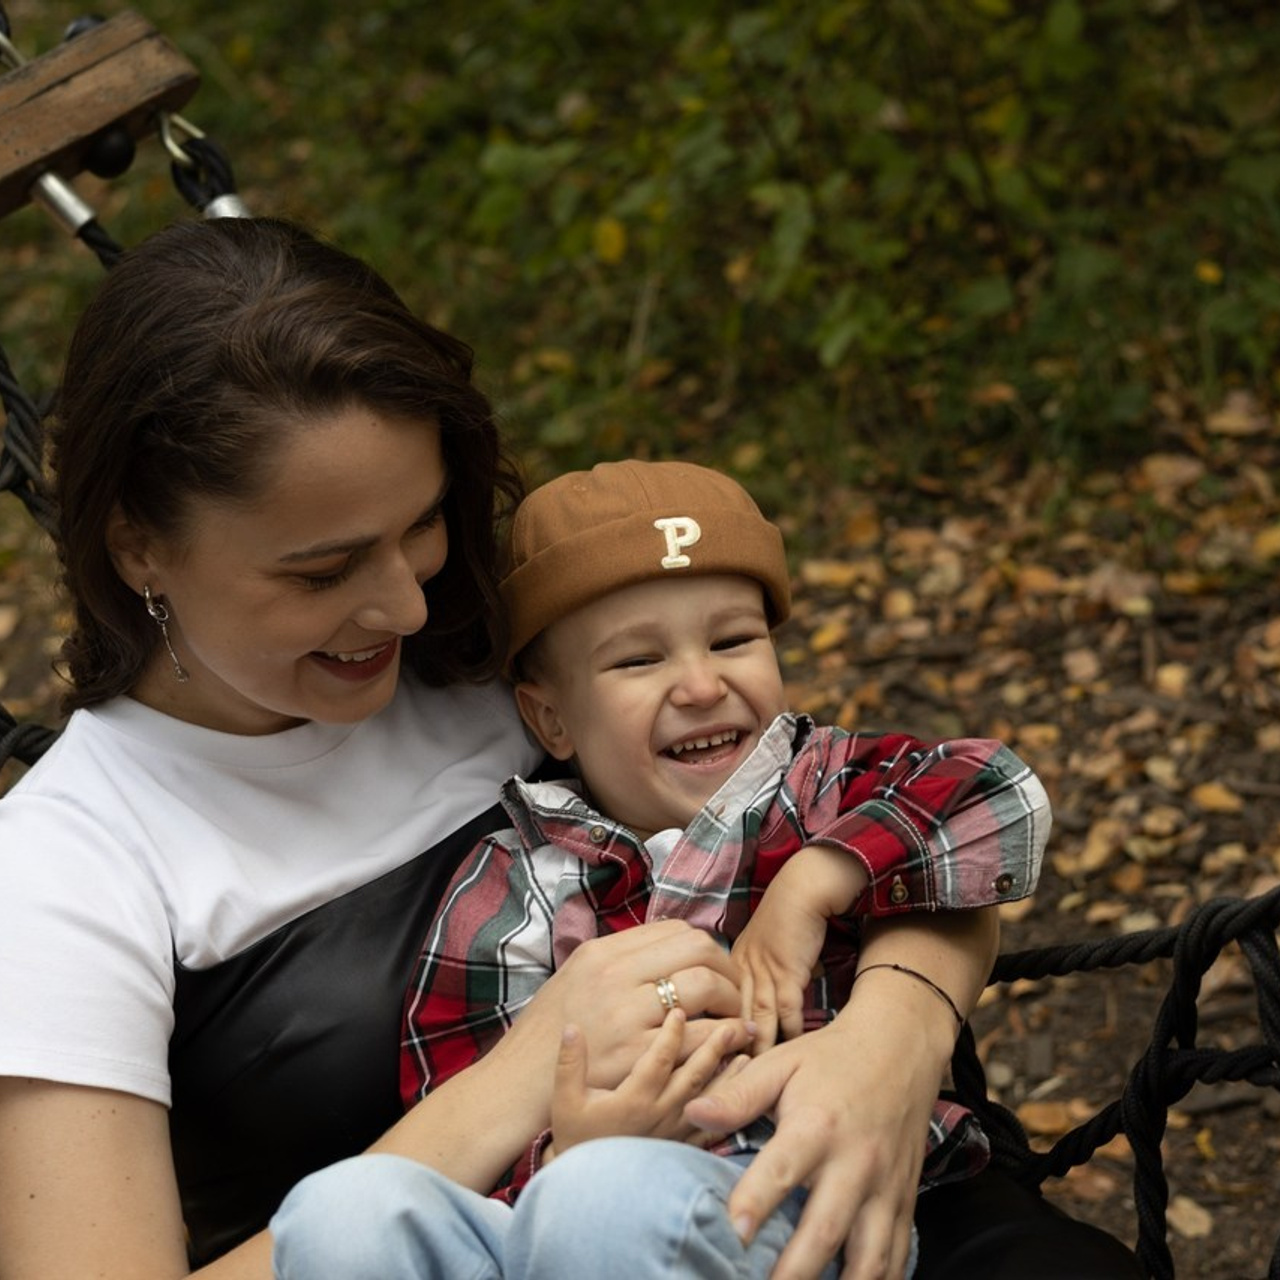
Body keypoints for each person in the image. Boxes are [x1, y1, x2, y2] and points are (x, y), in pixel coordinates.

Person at [0, 216, 1142, 1280]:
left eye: (422, 525)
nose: (405, 603)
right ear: (140, 545)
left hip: (856, 1185)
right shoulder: (68, 866)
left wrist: (891, 1039)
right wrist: (529, 1076)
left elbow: (870, 813)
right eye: (321, 569)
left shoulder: (516, 657)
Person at [269, 459, 1049, 1280]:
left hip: (795, 1192)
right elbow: (455, 1086)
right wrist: (568, 1145)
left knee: (605, 1199)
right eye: (639, 661)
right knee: (338, 1212)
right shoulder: (514, 884)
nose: (703, 684)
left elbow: (994, 794)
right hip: (560, 1213)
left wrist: (817, 877)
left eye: (733, 640)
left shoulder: (824, 787)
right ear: (551, 719)